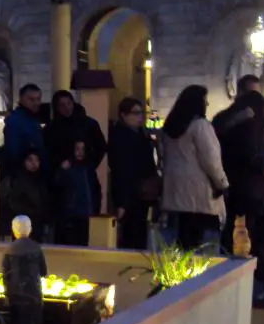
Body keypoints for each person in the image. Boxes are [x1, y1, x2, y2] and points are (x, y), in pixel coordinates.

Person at [161, 85, 229, 250]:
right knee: (200, 242)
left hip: (176, 189)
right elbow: (211, 160)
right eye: (205, 100)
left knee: (182, 237)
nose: (207, 103)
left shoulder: (169, 128)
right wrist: (222, 183)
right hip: (199, 192)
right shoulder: (200, 126)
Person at [212, 76, 264, 253]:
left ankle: (247, 262)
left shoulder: (260, 119)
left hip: (244, 179)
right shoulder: (232, 118)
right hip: (239, 178)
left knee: (248, 225)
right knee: (235, 225)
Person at [108, 96, 159, 250]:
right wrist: (122, 202)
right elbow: (121, 170)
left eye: (141, 113)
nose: (140, 117)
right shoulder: (121, 136)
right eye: (135, 113)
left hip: (141, 192)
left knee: (139, 232)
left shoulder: (139, 134)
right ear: (124, 115)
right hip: (131, 194)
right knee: (132, 234)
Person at [1, 215, 47, 324]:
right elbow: (44, 272)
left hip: (15, 300)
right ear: (30, 229)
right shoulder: (36, 248)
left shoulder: (8, 251)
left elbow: (5, 276)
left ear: (14, 229)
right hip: (34, 299)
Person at [44, 90, 108, 173]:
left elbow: (101, 147)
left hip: (84, 171)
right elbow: (49, 151)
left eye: (69, 103)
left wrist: (89, 164)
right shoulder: (52, 128)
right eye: (62, 105)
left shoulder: (88, 123)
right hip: (61, 173)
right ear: (56, 107)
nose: (67, 108)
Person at [53, 140, 101, 246]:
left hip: (87, 215)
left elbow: (95, 190)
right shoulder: (67, 167)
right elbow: (57, 186)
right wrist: (62, 170)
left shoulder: (88, 169)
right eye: (77, 149)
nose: (80, 152)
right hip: (71, 215)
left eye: (83, 149)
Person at [4, 150, 50, 242]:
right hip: (22, 227)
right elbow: (14, 203)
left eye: (37, 160)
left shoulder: (42, 180)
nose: (34, 163)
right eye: (30, 160)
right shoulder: (19, 181)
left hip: (38, 226)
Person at [3, 84, 45, 173]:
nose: (36, 103)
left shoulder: (34, 118)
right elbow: (12, 151)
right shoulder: (14, 121)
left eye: (38, 99)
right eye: (32, 99)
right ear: (21, 99)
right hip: (23, 173)